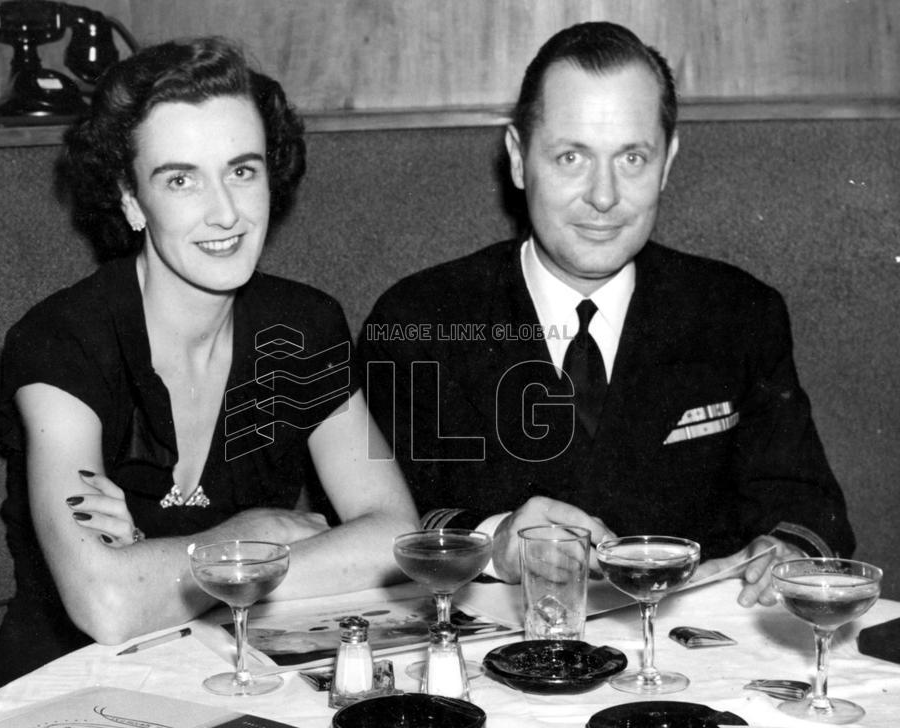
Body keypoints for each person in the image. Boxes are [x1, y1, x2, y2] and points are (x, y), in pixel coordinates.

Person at [357, 21, 854, 607]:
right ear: (519, 159)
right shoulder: (418, 321)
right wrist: (499, 541)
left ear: (667, 161)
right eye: (571, 157)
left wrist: (786, 551)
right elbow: (394, 525)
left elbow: (806, 505)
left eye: (632, 158)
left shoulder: (739, 312)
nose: (603, 196)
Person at [0, 37, 418, 685]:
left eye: (242, 170)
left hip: (241, 669)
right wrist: (255, 533)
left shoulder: (303, 326)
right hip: (76, 684)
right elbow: (107, 604)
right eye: (181, 178)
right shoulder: (60, 341)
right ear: (132, 199)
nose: (225, 211)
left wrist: (165, 564)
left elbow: (392, 538)